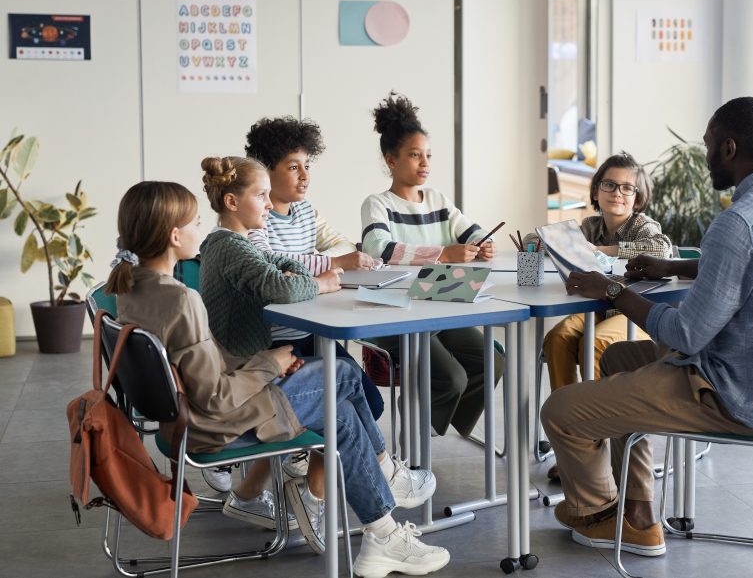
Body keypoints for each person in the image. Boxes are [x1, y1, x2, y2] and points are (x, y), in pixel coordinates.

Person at [539, 96, 753, 557]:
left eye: (709, 144)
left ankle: (598, 512)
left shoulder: (740, 221)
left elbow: (683, 335)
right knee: (617, 358)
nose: (705, 154)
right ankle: (638, 511)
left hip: (731, 393)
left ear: (730, 148)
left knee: (560, 409)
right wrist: (669, 266)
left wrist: (613, 291)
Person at [108, 180, 450, 577]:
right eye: (195, 222)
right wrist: (268, 365)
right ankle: (386, 478)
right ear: (173, 235)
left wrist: (264, 357)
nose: (200, 230)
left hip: (179, 424)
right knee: (342, 373)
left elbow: (200, 364)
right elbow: (216, 397)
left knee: (339, 412)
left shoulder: (130, 289)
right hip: (215, 424)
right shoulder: (183, 300)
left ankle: (383, 533)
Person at [360, 92, 503, 438]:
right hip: (396, 312)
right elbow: (378, 248)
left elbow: (473, 230)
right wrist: (442, 255)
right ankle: (414, 427)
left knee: (494, 361)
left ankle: (431, 423)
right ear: (390, 160)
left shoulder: (438, 200)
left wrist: (483, 243)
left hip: (439, 303)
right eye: (414, 155)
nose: (424, 163)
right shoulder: (376, 204)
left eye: (427, 155)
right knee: (451, 378)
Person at [539, 152, 672, 482]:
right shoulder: (590, 226)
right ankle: (574, 446)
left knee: (597, 344)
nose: (618, 193)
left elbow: (661, 251)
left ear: (638, 197)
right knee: (557, 339)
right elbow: (555, 244)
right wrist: (544, 243)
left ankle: (599, 447)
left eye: (628, 188)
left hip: (634, 316)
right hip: (596, 310)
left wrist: (603, 252)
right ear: (596, 191)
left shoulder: (643, 226)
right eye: (610, 185)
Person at [243, 115, 384, 423]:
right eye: (294, 167)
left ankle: (328, 463)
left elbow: (345, 245)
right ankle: (309, 454)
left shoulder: (305, 211)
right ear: (265, 172)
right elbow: (268, 261)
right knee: (342, 403)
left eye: (307, 165)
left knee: (371, 404)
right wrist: (329, 264)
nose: (305, 176)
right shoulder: (254, 217)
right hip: (274, 340)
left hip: (312, 330)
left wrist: (321, 263)